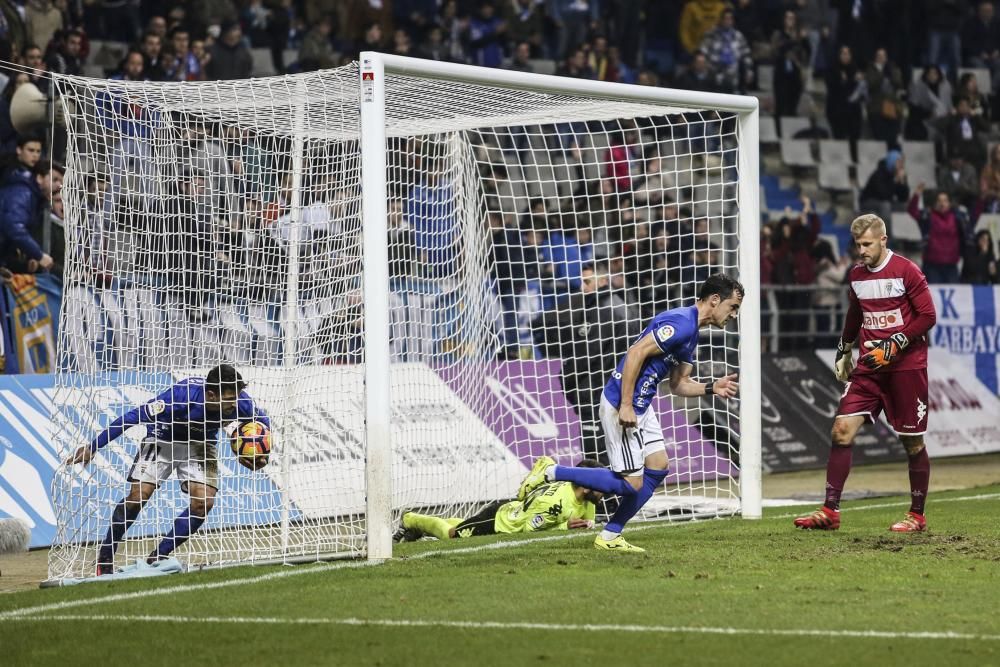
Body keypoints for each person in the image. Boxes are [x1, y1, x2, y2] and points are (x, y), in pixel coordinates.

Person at [523, 273, 743, 552]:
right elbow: (635, 353)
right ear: (715, 300)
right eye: (733, 307)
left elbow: (678, 384)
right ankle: (552, 471)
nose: (734, 314)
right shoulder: (681, 324)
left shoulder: (692, 333)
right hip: (622, 404)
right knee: (631, 483)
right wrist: (626, 404)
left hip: (642, 405)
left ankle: (611, 535)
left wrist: (712, 387)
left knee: (658, 467)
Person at [794, 214, 937, 533]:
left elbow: (928, 316)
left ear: (883, 240)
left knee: (912, 442)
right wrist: (844, 348)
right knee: (841, 430)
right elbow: (856, 312)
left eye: (867, 244)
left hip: (905, 368)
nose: (861, 250)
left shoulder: (906, 271)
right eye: (858, 244)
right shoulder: (856, 275)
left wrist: (895, 343)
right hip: (869, 369)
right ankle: (830, 511)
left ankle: (917, 515)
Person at [64, 364, 270, 576]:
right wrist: (92, 447)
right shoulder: (181, 397)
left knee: (203, 504)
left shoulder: (240, 402)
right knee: (137, 497)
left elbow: (263, 422)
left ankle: (159, 555)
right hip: (163, 438)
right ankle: (106, 554)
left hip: (200, 443)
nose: (234, 404)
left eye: (235, 397)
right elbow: (131, 418)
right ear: (210, 394)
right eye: (228, 399)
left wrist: (261, 454)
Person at [394, 459, 604, 542]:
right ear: (585, 486)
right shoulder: (555, 504)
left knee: (465, 526)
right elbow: (529, 531)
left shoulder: (584, 498)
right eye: (601, 485)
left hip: (514, 511)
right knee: (452, 536)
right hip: (498, 522)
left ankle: (424, 524)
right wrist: (563, 527)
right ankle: (411, 519)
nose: (606, 489)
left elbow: (589, 524)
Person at [0, 135, 55, 272]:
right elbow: (14, 226)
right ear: (19, 150)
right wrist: (38, 254)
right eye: (31, 150)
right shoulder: (20, 185)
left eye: (38, 151)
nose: (35, 155)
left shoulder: (26, 182)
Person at [907, 183, 971, 284]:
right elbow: (912, 211)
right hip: (932, 265)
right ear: (934, 203)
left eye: (945, 201)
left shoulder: (958, 217)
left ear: (950, 203)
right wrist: (917, 194)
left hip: (951, 265)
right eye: (939, 201)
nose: (942, 204)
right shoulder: (927, 216)